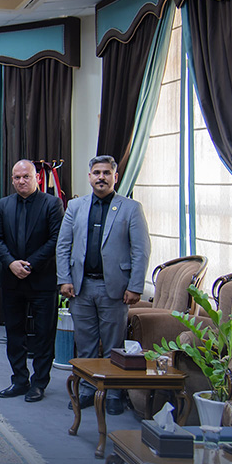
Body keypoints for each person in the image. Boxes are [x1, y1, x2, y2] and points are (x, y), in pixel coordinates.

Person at [56, 155, 150, 416]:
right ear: (89, 177)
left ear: (115, 177)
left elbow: (141, 250)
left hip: (115, 289)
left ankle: (114, 392)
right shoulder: (75, 206)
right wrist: (64, 279)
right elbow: (63, 246)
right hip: (81, 287)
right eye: (96, 173)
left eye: (106, 173)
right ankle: (87, 389)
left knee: (113, 344)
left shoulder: (131, 208)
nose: (101, 177)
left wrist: (135, 286)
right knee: (84, 343)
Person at [0, 160, 64, 403]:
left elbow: (56, 239)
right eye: (17, 177)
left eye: (26, 176)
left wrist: (30, 264)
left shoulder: (52, 204)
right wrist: (11, 263)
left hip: (42, 280)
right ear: (12, 180)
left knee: (43, 334)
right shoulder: (4, 204)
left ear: (37, 178)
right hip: (12, 280)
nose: (21, 181)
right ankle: (19, 380)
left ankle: (39, 383)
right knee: (14, 333)